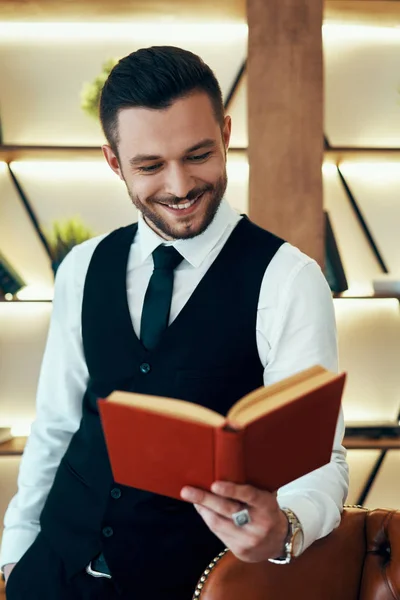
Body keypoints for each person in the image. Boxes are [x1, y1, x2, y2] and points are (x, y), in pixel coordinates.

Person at [1, 46, 349, 599]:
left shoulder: (289, 279)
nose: (181, 185)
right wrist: (16, 554)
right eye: (149, 166)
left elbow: (320, 456)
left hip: (192, 586)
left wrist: (284, 528)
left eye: (198, 154)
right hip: (52, 576)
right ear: (114, 161)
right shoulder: (83, 267)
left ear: (227, 133)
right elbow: (57, 427)